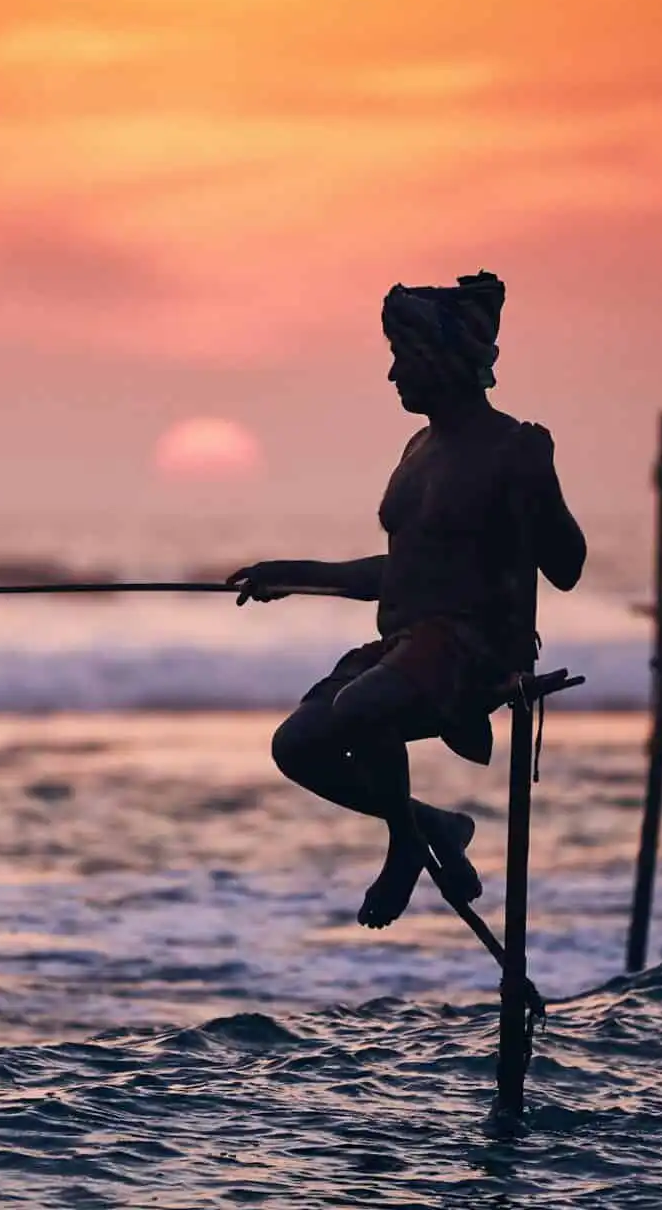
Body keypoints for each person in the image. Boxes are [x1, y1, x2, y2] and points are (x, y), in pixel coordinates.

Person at [228, 271, 585, 929]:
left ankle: (403, 850)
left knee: (364, 707)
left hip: (475, 650)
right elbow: (403, 573)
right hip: (407, 646)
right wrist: (292, 572)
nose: (393, 374)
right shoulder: (418, 448)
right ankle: (432, 826)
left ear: (445, 364)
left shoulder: (511, 450)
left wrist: (542, 480)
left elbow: (568, 568)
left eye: (403, 357)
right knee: (297, 744)